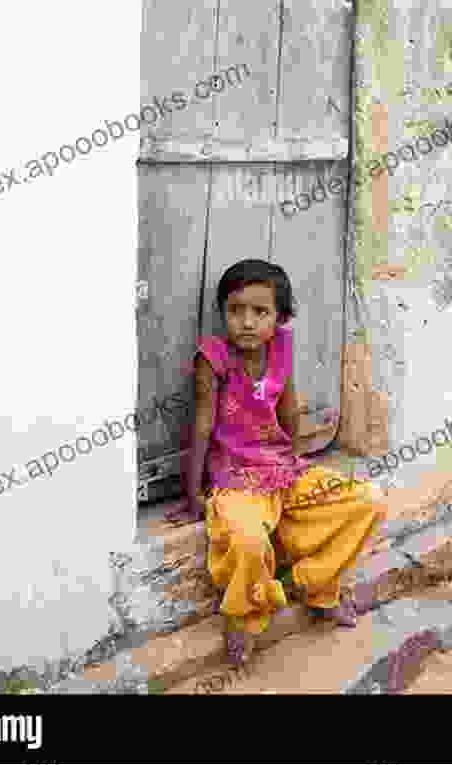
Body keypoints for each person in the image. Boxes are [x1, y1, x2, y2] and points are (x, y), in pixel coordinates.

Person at [165, 258, 388, 667]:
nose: (246, 322)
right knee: (248, 539)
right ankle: (245, 614)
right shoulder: (212, 358)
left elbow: (288, 409)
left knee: (368, 500)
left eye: (259, 312)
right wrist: (193, 494)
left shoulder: (280, 349)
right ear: (222, 313)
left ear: (279, 318)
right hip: (235, 478)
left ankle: (318, 586)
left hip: (282, 468)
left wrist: (298, 467)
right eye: (235, 311)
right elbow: (201, 426)